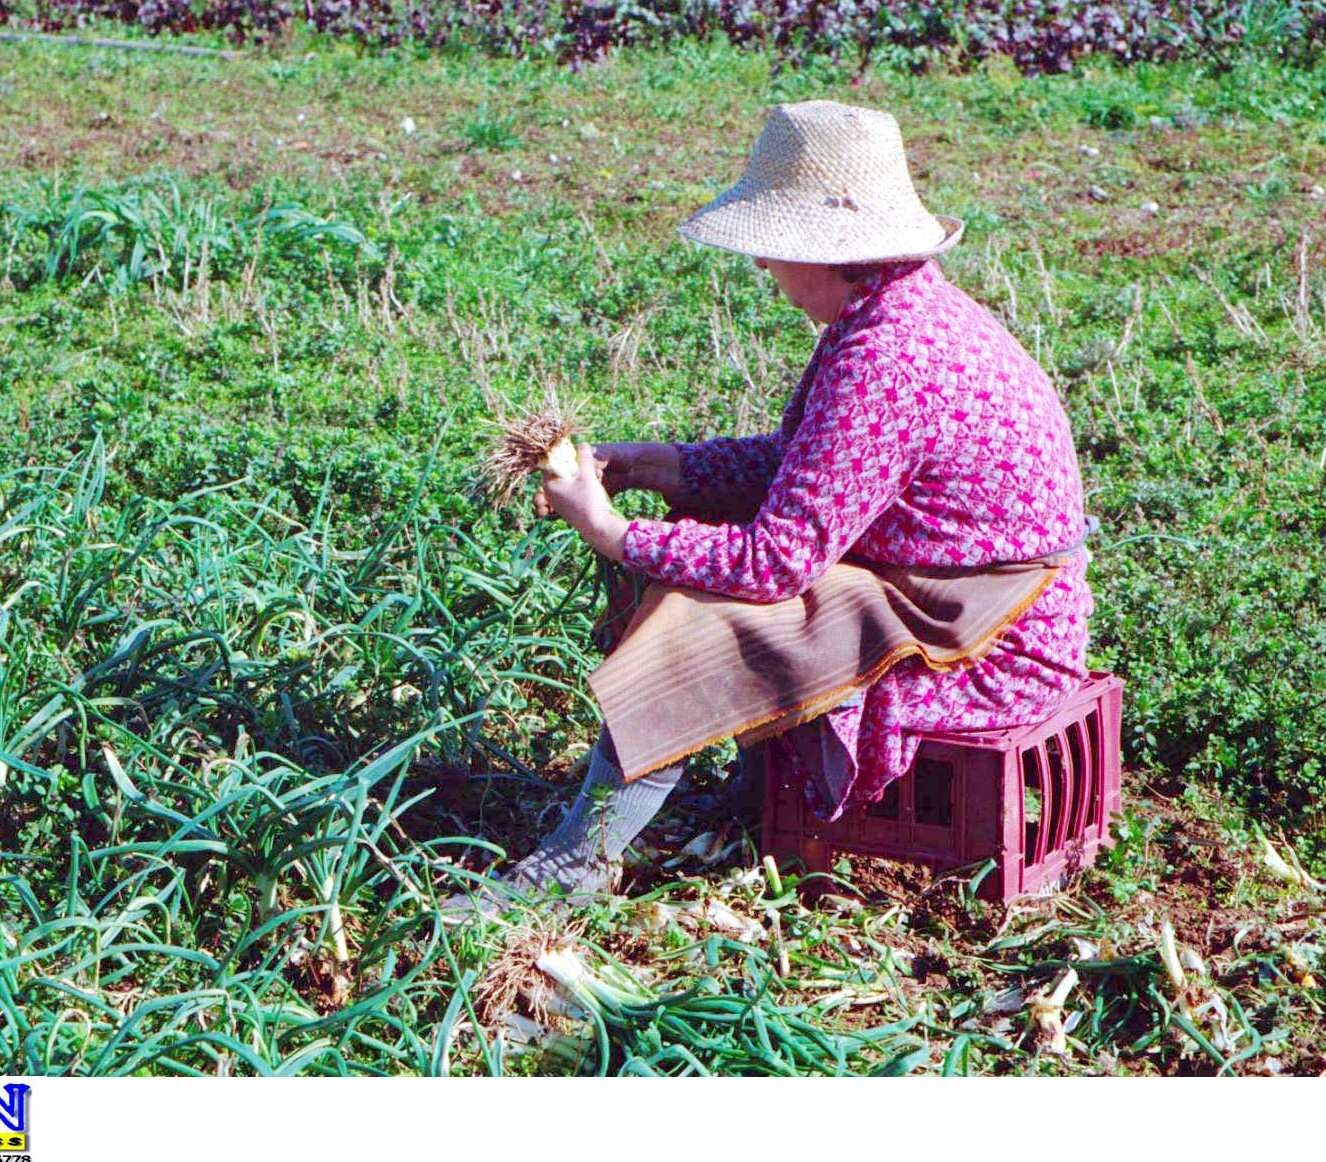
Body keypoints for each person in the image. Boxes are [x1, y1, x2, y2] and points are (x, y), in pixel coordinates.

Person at [442, 100, 1093, 921]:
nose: (762, 267)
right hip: (958, 592)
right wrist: (657, 465)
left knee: (697, 620)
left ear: (824, 252)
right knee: (706, 575)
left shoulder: (890, 358)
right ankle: (746, 797)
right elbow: (807, 465)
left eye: (772, 248)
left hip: (983, 641)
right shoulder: (892, 312)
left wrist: (607, 529)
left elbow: (772, 563)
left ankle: (575, 865)